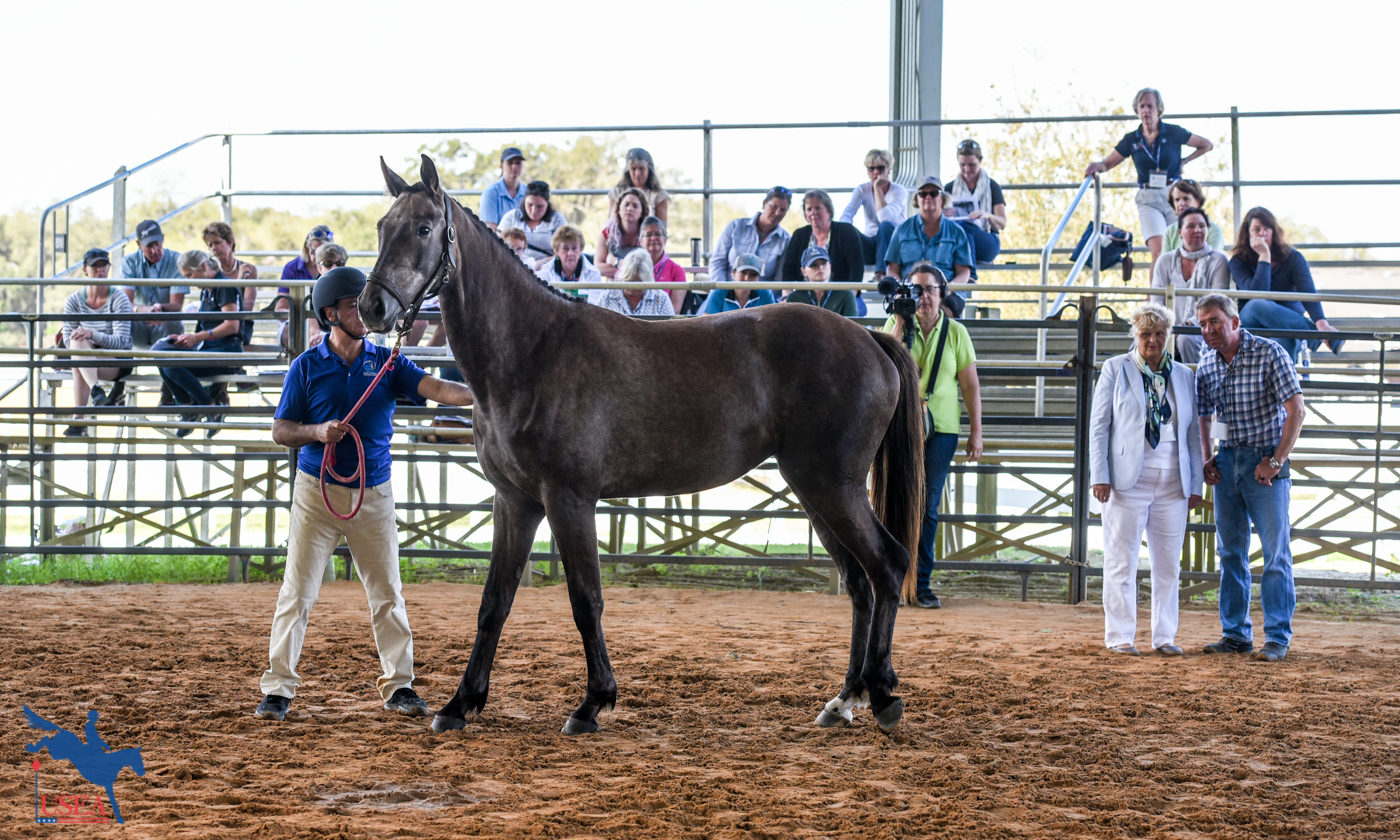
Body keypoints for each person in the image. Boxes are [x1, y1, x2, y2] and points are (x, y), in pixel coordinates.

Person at [255, 266, 475, 722]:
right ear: (330, 314)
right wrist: (318, 431)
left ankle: (400, 686)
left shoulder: (387, 362)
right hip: (316, 495)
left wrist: (485, 392)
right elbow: (280, 429)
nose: (364, 311)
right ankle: (278, 688)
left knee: (387, 593)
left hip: (372, 495)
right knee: (297, 593)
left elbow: (435, 389)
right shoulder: (306, 367)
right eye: (354, 304)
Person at [1195, 292, 1305, 663]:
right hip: (1227, 463)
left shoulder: (1270, 353)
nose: (1208, 330)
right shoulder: (1207, 363)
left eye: (1215, 322)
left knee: (1275, 553)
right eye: (1203, 324)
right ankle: (1236, 634)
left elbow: (1297, 411)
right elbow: (1205, 414)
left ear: (1235, 322)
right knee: (1230, 551)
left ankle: (1276, 636)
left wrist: (1274, 461)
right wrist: (1208, 456)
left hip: (1264, 467)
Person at [1089, 303, 1204, 656]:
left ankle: (1164, 636)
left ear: (1168, 336)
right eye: (1145, 334)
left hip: (1173, 480)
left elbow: (1192, 434)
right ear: (1135, 336)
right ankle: (1120, 636)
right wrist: (1100, 475)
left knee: (1168, 562)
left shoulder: (1184, 375)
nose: (1153, 341)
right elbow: (1099, 426)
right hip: (1127, 480)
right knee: (1121, 560)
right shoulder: (1116, 369)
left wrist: (1195, 483)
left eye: (1159, 334)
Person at [882, 263, 983, 609]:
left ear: (942, 294)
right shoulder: (896, 324)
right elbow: (883, 365)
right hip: (899, 427)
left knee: (928, 507)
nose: (923, 297)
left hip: (941, 430)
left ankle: (920, 583)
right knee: (895, 502)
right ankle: (892, 582)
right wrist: (899, 320)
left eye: (930, 289)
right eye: (916, 289)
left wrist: (976, 432)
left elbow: (970, 385)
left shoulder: (956, 332)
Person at [1084, 87, 1214, 267]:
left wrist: (1184, 161)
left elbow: (1206, 145)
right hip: (1148, 198)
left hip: (1174, 195)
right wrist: (1095, 166)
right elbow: (1107, 163)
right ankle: (1155, 295)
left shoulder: (1173, 132)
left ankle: (1181, 292)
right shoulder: (1132, 139)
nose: (1146, 110)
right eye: (1142, 106)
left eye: (1150, 106)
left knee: (1181, 248)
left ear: (1158, 109)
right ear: (1137, 110)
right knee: (1159, 252)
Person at [1229, 206, 1343, 361]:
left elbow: (1308, 293)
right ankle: (1316, 335)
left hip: (1287, 325)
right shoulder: (1238, 261)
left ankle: (1285, 382)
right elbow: (1257, 294)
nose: (1263, 233)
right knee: (1257, 304)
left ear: (1274, 231)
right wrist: (1264, 255)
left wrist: (1322, 323)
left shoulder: (1294, 258)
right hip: (1252, 323)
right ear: (1247, 233)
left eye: (1267, 228)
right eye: (1257, 229)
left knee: (1285, 337)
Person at [152, 250, 243, 438]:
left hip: (225, 352)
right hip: (209, 349)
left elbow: (232, 325)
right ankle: (193, 406)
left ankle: (202, 406)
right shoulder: (208, 290)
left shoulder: (224, 286)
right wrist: (189, 337)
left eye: (190, 275)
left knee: (169, 362)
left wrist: (197, 337)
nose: (190, 280)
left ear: (203, 267)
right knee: (160, 353)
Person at [60, 249, 133, 437]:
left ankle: (79, 419)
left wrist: (92, 334)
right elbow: (69, 342)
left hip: (115, 360)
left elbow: (123, 343)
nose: (100, 270)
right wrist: (87, 339)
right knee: (78, 350)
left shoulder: (119, 298)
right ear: (85, 270)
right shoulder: (74, 300)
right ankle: (95, 392)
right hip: (88, 359)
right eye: (95, 266)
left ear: (109, 268)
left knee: (79, 361)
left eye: (103, 266)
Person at [884, 178, 974, 317]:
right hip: (910, 291)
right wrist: (903, 290)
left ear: (943, 199)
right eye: (923, 194)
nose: (928, 197)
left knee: (941, 312)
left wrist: (946, 289)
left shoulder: (956, 232)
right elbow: (892, 269)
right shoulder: (902, 230)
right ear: (916, 199)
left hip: (946, 294)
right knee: (901, 310)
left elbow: (964, 272)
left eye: (933, 193)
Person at [1151, 208, 1231, 363]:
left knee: (1186, 339)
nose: (1198, 230)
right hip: (1167, 324)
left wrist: (1190, 324)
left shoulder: (1218, 260)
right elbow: (1156, 302)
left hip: (1205, 326)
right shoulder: (1165, 261)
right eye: (1191, 226)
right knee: (1143, 340)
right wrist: (1169, 327)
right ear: (1180, 232)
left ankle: (1197, 384)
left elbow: (1217, 303)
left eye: (1202, 226)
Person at [781, 189, 864, 299]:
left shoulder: (847, 231)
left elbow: (856, 270)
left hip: (841, 296)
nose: (813, 212)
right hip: (807, 298)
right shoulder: (799, 235)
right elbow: (788, 270)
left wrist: (849, 299)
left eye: (817, 208)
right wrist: (786, 297)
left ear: (829, 210)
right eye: (809, 209)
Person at [119, 219, 187, 347]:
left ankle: (169, 365)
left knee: (173, 320)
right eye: (149, 246)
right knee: (122, 320)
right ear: (139, 245)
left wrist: (157, 308)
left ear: (163, 239)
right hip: (138, 323)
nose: (155, 250)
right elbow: (125, 302)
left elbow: (176, 306)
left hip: (164, 322)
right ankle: (123, 365)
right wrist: (144, 310)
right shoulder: (129, 262)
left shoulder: (176, 260)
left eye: (157, 244)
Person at [709, 187, 792, 290]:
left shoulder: (786, 240)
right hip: (727, 293)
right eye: (774, 207)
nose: (777, 213)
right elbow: (717, 262)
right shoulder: (735, 227)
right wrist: (721, 292)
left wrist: (768, 302)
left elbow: (780, 280)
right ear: (764, 203)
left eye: (783, 210)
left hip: (763, 299)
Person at [839, 148, 907, 272]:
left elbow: (884, 218)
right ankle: (844, 278)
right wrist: (846, 231)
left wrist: (878, 189)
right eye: (871, 169)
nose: (876, 172)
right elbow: (846, 215)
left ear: (888, 169)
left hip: (895, 245)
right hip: (872, 244)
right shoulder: (862, 189)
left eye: (880, 168)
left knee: (885, 227)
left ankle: (881, 275)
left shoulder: (899, 191)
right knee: (848, 230)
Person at [944, 139, 1008, 267]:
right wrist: (944, 215)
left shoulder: (992, 186)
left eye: (972, 165)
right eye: (962, 165)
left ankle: (969, 275)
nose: (967, 169)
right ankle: (966, 279)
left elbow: (1002, 223)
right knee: (961, 229)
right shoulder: (949, 188)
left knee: (965, 228)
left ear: (980, 161)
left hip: (986, 239)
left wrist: (987, 215)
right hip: (957, 240)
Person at [277, 225, 333, 353]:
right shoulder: (292, 268)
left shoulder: (334, 269)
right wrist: (308, 322)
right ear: (307, 248)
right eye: (313, 251)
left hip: (327, 326)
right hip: (297, 324)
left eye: (322, 253)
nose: (316, 256)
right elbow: (280, 308)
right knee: (298, 334)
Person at [204, 221, 259, 345]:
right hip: (214, 323)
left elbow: (248, 306)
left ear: (230, 242)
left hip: (240, 325)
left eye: (217, 242)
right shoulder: (211, 272)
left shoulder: (248, 269)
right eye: (210, 245)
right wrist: (239, 283)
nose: (214, 248)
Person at [497, 180, 569, 267]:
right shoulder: (512, 217)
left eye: (540, 206)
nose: (534, 211)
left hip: (547, 268)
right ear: (524, 202)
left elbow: (567, 251)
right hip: (514, 266)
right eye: (530, 205)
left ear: (547, 204)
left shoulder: (557, 220)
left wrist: (543, 262)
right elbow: (497, 245)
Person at [592, 249, 675, 317]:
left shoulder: (661, 299)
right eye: (630, 281)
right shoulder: (607, 298)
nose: (633, 289)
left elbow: (670, 331)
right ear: (622, 278)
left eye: (640, 284)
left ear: (648, 281)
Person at [784, 246, 858, 316]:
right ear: (803, 271)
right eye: (814, 265)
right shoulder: (794, 297)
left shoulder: (846, 294)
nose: (821, 267)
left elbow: (852, 326)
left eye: (824, 263)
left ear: (830, 266)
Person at [535, 225, 603, 300]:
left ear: (581, 249)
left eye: (574, 248)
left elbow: (596, 305)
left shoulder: (594, 273)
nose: (570, 253)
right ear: (557, 251)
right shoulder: (544, 273)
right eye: (565, 248)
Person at [597, 187, 650, 278]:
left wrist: (615, 262)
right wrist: (632, 271)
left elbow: (650, 269)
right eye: (626, 204)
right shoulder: (606, 233)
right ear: (618, 210)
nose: (630, 208)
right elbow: (598, 268)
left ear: (642, 212)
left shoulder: (648, 235)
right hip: (612, 288)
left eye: (635, 206)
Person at [607, 147, 670, 223]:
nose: (637, 174)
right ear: (628, 170)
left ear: (649, 169)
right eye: (633, 169)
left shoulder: (659, 195)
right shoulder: (617, 192)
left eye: (641, 168)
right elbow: (610, 224)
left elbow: (661, 229)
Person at [1161, 179, 1225, 253]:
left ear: (1198, 201)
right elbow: (1165, 263)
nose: (1181, 204)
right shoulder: (1170, 232)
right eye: (1177, 200)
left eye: (1186, 199)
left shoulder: (1214, 231)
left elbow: (1212, 261)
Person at [641, 216, 689, 312]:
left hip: (663, 324)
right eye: (649, 234)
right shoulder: (629, 268)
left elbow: (674, 311)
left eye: (658, 234)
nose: (653, 238)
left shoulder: (677, 271)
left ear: (665, 239)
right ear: (640, 241)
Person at [700, 253, 775, 313]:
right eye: (743, 272)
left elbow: (772, 322)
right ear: (733, 273)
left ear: (758, 277)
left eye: (753, 274)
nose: (747, 278)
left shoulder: (766, 293)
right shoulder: (718, 292)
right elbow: (707, 324)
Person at [479, 146, 527, 230]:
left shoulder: (528, 192)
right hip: (499, 242)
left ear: (522, 166)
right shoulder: (491, 193)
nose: (514, 166)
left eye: (518, 163)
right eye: (510, 163)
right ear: (501, 166)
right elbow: (490, 229)